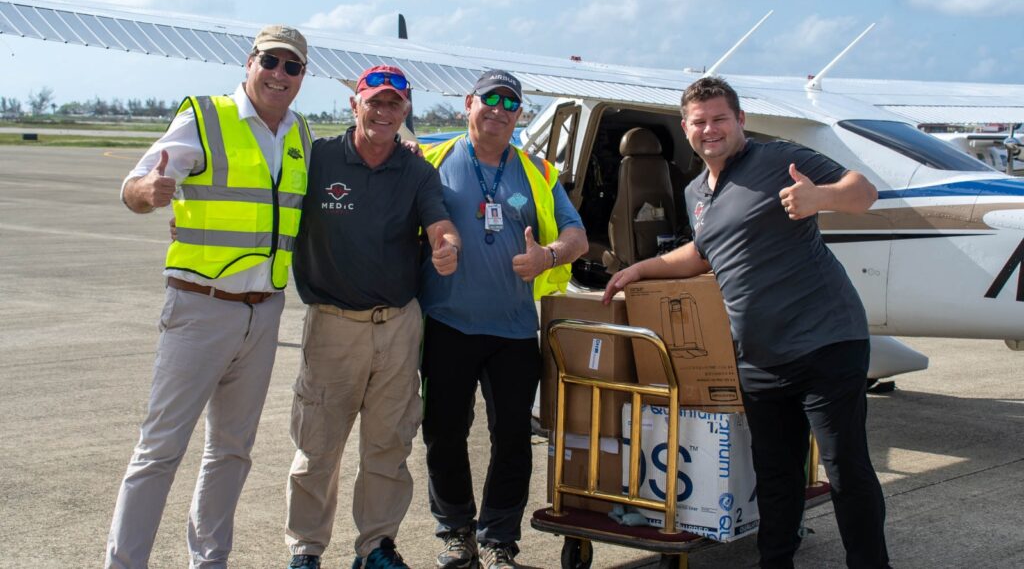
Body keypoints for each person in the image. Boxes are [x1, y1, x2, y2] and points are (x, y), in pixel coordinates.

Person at [603, 76, 890, 569]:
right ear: (686, 129)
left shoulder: (778, 159)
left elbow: (863, 192)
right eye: (699, 122)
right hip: (759, 359)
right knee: (775, 476)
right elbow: (702, 254)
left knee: (846, 469)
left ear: (741, 121)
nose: (709, 129)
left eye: (719, 118)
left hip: (826, 343)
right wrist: (638, 269)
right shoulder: (696, 190)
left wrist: (819, 198)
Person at [107, 25, 312, 568]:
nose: (280, 75)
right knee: (159, 451)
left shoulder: (300, 135)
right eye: (271, 61)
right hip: (200, 307)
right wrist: (146, 195)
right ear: (250, 63)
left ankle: (209, 561)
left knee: (231, 452)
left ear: (302, 78)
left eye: (293, 67)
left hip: (264, 314)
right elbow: (134, 185)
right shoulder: (206, 117)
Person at [285, 64, 460, 569]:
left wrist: (447, 246)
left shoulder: (417, 170)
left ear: (406, 112)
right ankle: (306, 548)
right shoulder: (319, 159)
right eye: (375, 102)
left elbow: (439, 222)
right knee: (317, 446)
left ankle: (376, 546)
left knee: (388, 445)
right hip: (332, 325)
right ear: (354, 104)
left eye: (394, 105)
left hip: (397, 327)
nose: (383, 112)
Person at [419, 69, 588, 569]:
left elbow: (577, 236)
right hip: (447, 325)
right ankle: (455, 533)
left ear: (520, 115)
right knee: (444, 431)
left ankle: (497, 541)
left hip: (514, 331)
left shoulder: (536, 170)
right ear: (467, 104)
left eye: (509, 103)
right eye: (488, 99)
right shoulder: (431, 161)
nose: (498, 109)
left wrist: (549, 257)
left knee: (512, 436)